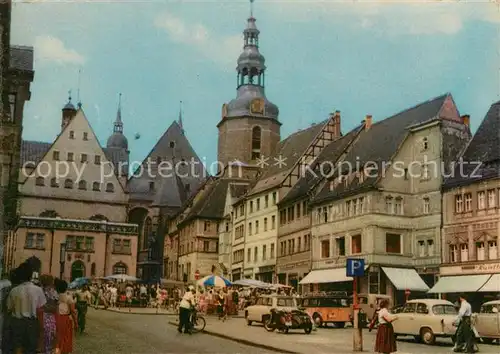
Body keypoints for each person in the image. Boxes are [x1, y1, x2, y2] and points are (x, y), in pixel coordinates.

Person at [7, 261, 46, 354]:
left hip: (17, 322)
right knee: (31, 348)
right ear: (30, 275)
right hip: (31, 323)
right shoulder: (38, 290)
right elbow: (40, 310)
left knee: (17, 347)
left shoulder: (14, 291)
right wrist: (41, 331)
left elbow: (9, 308)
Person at [55, 279, 78, 354]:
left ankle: (57, 350)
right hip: (65, 319)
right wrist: (76, 323)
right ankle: (63, 351)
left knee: (57, 337)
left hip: (56, 317)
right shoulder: (68, 297)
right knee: (66, 337)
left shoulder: (55, 296)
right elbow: (73, 311)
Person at [38, 274, 59, 354]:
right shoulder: (53, 292)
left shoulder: (39, 290)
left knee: (41, 338)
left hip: (40, 316)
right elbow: (56, 306)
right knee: (50, 338)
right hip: (50, 317)